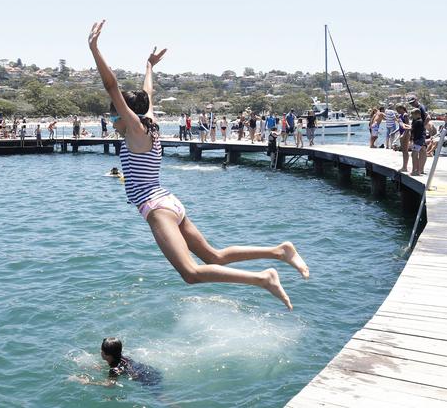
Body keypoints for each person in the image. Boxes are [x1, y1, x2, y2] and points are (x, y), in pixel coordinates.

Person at [89, 20, 308, 309]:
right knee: (213, 257)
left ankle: (264, 279)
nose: (113, 121)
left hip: (157, 209)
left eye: (115, 115)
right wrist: (149, 66)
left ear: (125, 115)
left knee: (190, 273)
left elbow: (111, 86)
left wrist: (94, 48)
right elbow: (148, 94)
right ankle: (280, 251)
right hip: (168, 201)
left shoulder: (135, 130)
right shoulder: (150, 123)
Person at [70, 338, 162, 388]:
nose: (100, 352)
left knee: (162, 398)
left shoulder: (114, 370)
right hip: (149, 371)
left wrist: (87, 382)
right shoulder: (122, 358)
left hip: (146, 380)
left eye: (101, 350)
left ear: (107, 355)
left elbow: (109, 385)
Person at [410, 108, 426, 176]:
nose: (412, 116)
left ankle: (416, 171)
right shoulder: (418, 121)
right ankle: (417, 170)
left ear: (417, 114)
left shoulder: (418, 121)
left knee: (414, 154)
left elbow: (412, 129)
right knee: (415, 154)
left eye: (413, 115)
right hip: (419, 139)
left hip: (418, 140)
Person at [396, 104, 411, 171]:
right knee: (403, 150)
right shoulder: (400, 116)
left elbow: (408, 126)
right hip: (402, 134)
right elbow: (401, 126)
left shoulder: (405, 115)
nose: (397, 111)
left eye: (398, 109)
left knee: (405, 150)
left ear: (402, 108)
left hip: (406, 134)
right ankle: (404, 166)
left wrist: (404, 135)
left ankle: (405, 167)